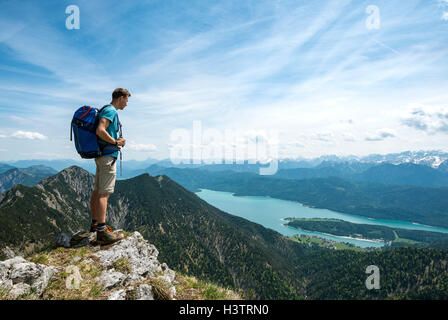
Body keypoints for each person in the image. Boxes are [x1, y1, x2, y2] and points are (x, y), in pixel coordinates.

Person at [89, 88, 130, 244]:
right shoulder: (111, 111)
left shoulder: (105, 109)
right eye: (126, 100)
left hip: (101, 156)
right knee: (104, 194)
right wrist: (115, 142)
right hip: (107, 157)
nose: (127, 103)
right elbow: (100, 130)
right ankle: (102, 231)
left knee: (98, 191)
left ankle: (94, 225)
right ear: (120, 98)